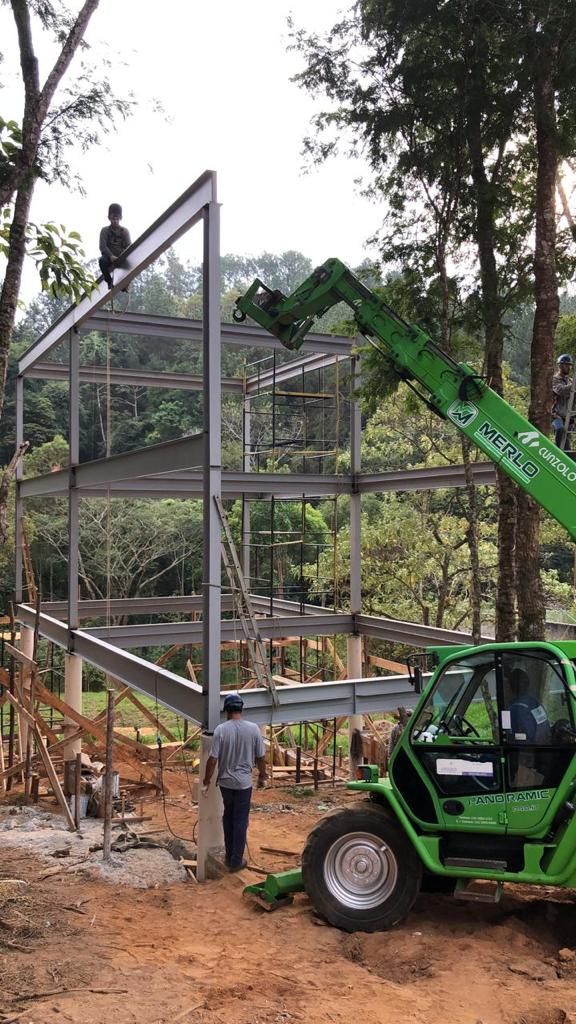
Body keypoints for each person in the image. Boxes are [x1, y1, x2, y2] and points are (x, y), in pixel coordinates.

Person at [202, 693, 267, 871]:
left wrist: (206, 781)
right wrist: (262, 775)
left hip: (225, 783)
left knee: (228, 816)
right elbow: (261, 757)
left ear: (226, 711)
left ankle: (229, 855)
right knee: (240, 820)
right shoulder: (253, 729)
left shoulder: (221, 730)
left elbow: (213, 759)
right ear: (241, 709)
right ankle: (236, 861)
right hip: (244, 784)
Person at [507, 667, 550, 744]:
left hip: (528, 749)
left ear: (510, 686)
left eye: (507, 683)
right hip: (544, 746)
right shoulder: (534, 702)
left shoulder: (515, 709)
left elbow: (521, 737)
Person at [99, 203, 131, 290]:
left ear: (121, 218)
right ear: (109, 218)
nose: (115, 221)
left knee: (131, 263)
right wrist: (111, 256)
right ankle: (109, 281)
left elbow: (129, 247)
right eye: (113, 218)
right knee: (102, 261)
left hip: (121, 257)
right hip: (109, 258)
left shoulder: (125, 231)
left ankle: (125, 285)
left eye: (117, 218)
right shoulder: (105, 231)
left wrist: (122, 256)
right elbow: (102, 246)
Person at [552, 353, 574, 448]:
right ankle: (558, 452)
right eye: (566, 365)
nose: (569, 367)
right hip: (555, 415)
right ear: (560, 365)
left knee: (566, 439)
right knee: (560, 429)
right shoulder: (554, 379)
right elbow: (560, 390)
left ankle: (566, 455)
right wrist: (573, 385)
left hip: (569, 417)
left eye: (570, 365)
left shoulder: (571, 381)